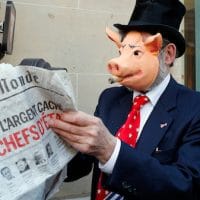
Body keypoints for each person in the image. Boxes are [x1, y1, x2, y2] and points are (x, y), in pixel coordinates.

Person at [48, 0, 200, 199]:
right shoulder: (109, 98)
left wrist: (112, 152)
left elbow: (187, 187)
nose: (121, 61)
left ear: (168, 54)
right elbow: (82, 164)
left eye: (136, 52)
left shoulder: (194, 107)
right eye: (122, 51)